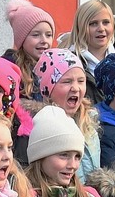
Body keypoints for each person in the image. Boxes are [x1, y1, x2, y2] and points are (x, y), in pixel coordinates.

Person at [28, 47, 101, 180]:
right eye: (67, 81)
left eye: (81, 81)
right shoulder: (37, 128)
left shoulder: (89, 125)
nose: (76, 88)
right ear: (48, 89)